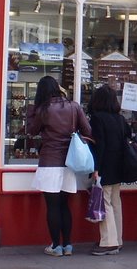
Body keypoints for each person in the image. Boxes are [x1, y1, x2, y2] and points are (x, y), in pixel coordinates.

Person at [25, 75, 92, 257]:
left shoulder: (43, 110)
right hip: (69, 162)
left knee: (52, 206)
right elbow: (88, 131)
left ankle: (56, 246)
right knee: (64, 206)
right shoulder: (74, 106)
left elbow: (31, 131)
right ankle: (68, 244)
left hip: (49, 161)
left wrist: (31, 111)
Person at [88, 84, 129, 256]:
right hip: (119, 165)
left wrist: (96, 168)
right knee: (115, 202)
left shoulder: (97, 118)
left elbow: (100, 145)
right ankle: (117, 240)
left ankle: (108, 242)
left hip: (105, 165)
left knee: (105, 204)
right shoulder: (120, 119)